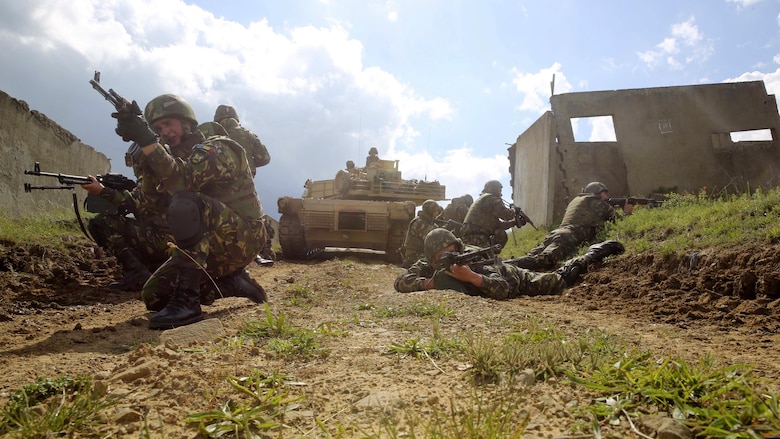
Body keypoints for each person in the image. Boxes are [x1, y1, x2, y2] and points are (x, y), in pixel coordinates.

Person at [113, 94, 268, 329]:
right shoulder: (175, 160)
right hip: (213, 243)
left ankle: (188, 302)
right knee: (154, 295)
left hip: (244, 238)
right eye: (157, 128)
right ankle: (232, 283)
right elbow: (149, 205)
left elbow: (183, 183)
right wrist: (148, 162)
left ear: (187, 122)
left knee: (185, 201)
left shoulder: (218, 147)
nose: (164, 132)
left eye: (168, 124)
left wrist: (148, 142)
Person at [394, 228, 624, 299]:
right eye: (442, 256)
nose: (449, 258)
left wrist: (472, 277)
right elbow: (400, 282)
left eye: (452, 252)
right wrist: (426, 284)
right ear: (432, 258)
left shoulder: (472, 258)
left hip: (516, 279)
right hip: (502, 270)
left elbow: (503, 288)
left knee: (562, 279)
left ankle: (591, 254)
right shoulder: (428, 264)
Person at [80, 142, 175, 291]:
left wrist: (103, 191)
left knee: (102, 222)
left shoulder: (154, 178)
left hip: (163, 240)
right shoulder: (168, 174)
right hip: (170, 242)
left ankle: (137, 273)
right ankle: (148, 267)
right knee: (127, 226)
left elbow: (133, 202)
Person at [512, 181, 633, 270]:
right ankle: (504, 264)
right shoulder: (598, 203)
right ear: (596, 193)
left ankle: (506, 265)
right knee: (544, 261)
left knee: (530, 256)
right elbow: (619, 221)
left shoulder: (577, 200)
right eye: (604, 194)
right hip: (568, 237)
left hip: (556, 233)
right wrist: (627, 211)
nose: (606, 197)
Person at [213, 104, 271, 176]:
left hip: (220, 180)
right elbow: (265, 158)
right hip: (245, 181)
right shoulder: (249, 135)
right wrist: (247, 163)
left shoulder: (212, 134)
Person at [460, 180, 517, 249]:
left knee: (500, 233)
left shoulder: (483, 200)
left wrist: (514, 223)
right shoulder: (491, 198)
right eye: (500, 191)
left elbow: (498, 225)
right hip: (477, 237)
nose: (501, 194)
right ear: (494, 189)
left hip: (470, 236)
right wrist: (514, 210)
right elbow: (507, 215)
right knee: (485, 258)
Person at [400, 199, 443, 268]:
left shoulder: (429, 222)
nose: (437, 214)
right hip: (414, 254)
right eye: (435, 211)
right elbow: (430, 236)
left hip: (422, 253)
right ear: (430, 211)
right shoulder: (418, 222)